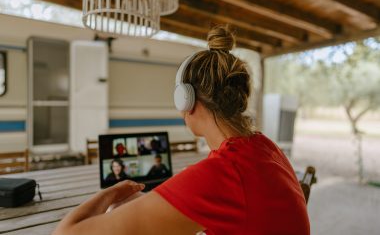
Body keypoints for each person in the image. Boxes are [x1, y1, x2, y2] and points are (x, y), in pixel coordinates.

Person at [53, 25, 310, 235]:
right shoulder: (264, 146)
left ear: (185, 100)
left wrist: (112, 191)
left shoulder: (222, 174)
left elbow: (66, 233)